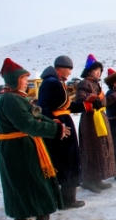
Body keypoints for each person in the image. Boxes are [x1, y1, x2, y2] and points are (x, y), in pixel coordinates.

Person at [0, 58, 70, 220]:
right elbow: (28, 124)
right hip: (19, 149)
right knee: (37, 181)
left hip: (19, 147)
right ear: (14, 81)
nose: (26, 81)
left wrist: (53, 123)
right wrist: (55, 129)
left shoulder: (18, 98)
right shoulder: (11, 100)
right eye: (23, 78)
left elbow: (36, 116)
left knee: (20, 184)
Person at [37, 55, 86, 209]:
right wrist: (55, 122)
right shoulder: (51, 83)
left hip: (62, 126)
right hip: (60, 129)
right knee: (67, 162)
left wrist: (85, 106)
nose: (70, 73)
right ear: (60, 68)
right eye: (68, 69)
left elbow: (65, 107)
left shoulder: (55, 82)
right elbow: (44, 107)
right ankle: (67, 200)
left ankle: (66, 198)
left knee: (67, 162)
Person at [76, 54, 116, 193]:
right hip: (90, 121)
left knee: (100, 148)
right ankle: (88, 180)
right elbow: (81, 97)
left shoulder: (96, 84)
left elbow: (103, 102)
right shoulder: (84, 83)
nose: (98, 72)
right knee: (91, 149)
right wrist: (92, 99)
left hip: (99, 119)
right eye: (96, 69)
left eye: (100, 70)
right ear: (89, 71)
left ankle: (97, 178)